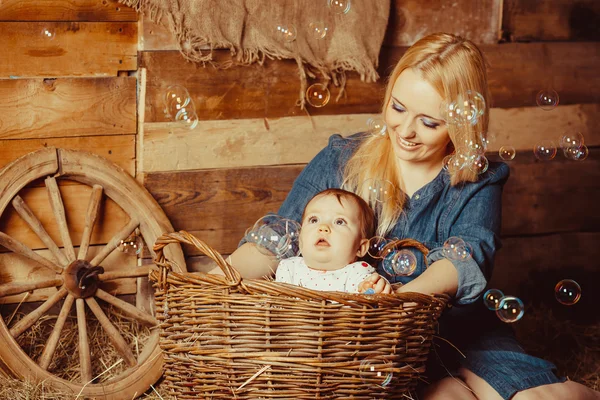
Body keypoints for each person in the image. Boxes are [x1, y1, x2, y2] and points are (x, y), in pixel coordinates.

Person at [213, 33, 599, 399]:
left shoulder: (477, 180)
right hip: (368, 347)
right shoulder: (342, 159)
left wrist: (394, 303)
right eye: (398, 108)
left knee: (539, 396)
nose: (406, 131)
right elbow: (281, 237)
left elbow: (466, 257)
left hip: (455, 329)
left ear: (462, 124)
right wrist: (217, 276)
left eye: (430, 122)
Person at [275, 188, 392, 294]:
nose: (323, 227)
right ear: (300, 239)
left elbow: (369, 295)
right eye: (314, 220)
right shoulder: (289, 268)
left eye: (339, 222)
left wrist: (373, 289)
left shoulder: (357, 273)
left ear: (360, 248)